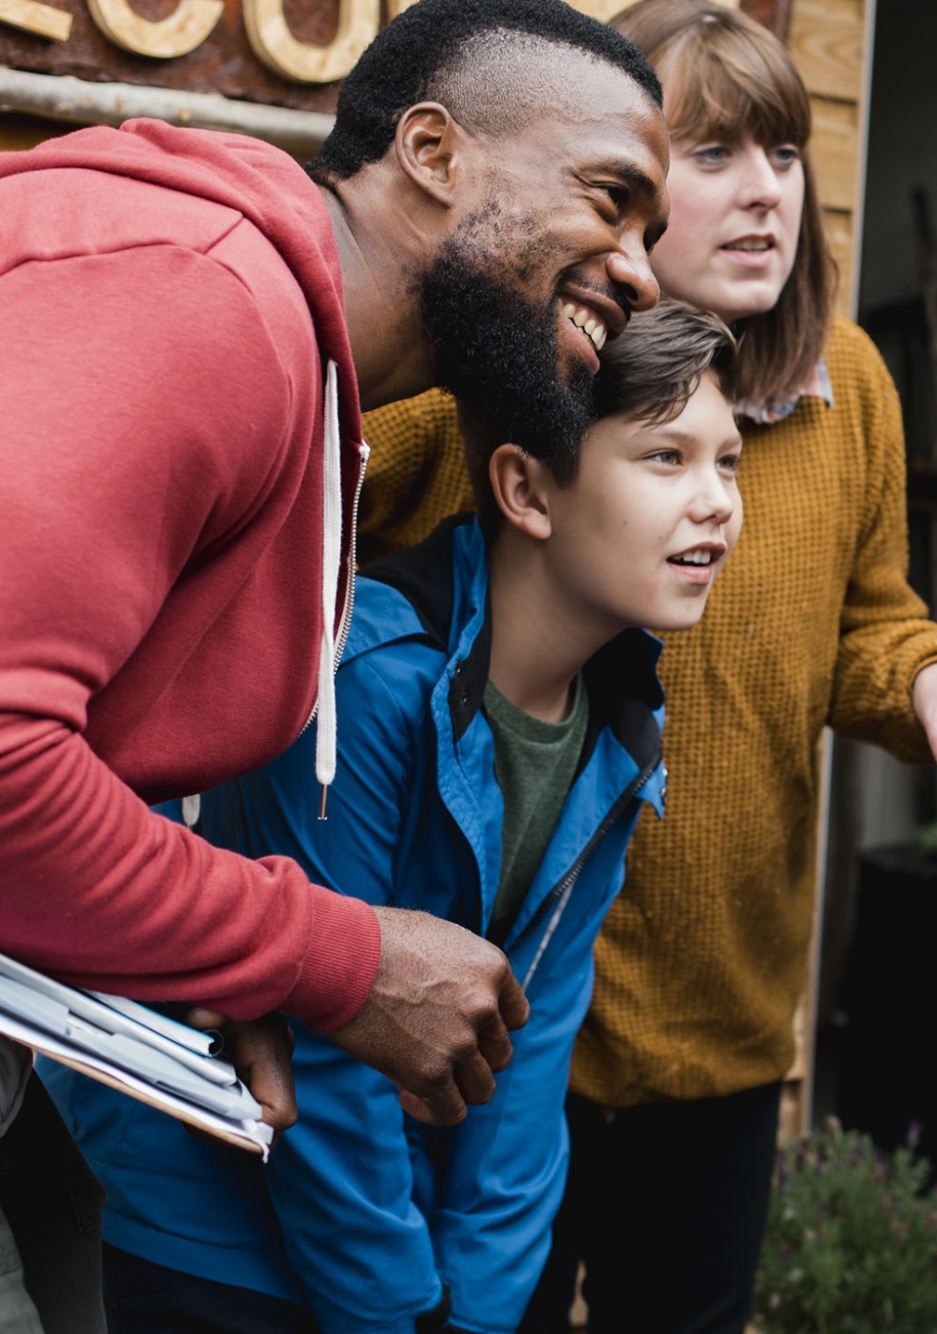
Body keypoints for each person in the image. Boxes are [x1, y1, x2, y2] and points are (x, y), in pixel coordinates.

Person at [354, 5, 937, 1330]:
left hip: (728, 1018)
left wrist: (923, 671)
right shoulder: (527, 368)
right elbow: (324, 489)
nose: (765, 191)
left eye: (785, 153)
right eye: (712, 155)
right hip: (511, 1018)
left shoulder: (847, 382)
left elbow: (864, 620)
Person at [0, 0, 671, 1322]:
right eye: (611, 200)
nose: (643, 272)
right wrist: (328, 955)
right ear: (432, 153)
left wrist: (204, 961)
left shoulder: (285, 357)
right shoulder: (213, 302)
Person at [48, 301, 739, 1334]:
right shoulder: (365, 681)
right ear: (525, 489)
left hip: (386, 1234)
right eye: (666, 458)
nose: (716, 502)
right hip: (216, 1212)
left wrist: (475, 1312)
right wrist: (399, 1312)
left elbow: (531, 1052)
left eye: (728, 461)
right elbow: (323, 1049)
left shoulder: (622, 728)